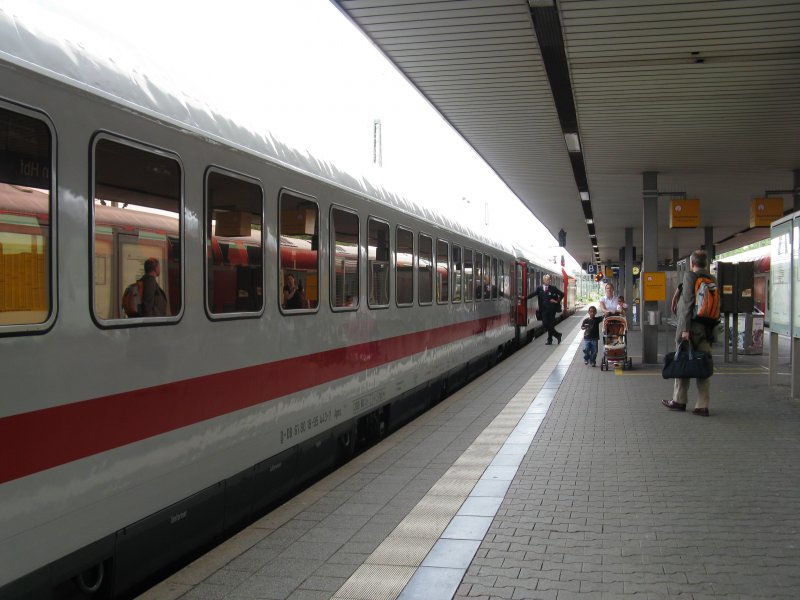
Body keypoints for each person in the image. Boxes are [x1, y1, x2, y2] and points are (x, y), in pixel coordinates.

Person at [662, 249, 716, 416]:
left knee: (682, 361)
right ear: (705, 263)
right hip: (707, 330)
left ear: (691, 263)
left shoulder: (690, 276)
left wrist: (685, 329)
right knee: (703, 365)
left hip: (691, 329)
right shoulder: (711, 278)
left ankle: (679, 400)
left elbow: (687, 304)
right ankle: (702, 405)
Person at [529, 274, 564, 345]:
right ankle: (557, 335)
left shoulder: (553, 288)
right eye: (546, 280)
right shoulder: (539, 288)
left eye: (548, 280)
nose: (548, 281)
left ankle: (549, 340)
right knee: (545, 324)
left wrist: (557, 301)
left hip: (552, 310)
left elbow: (562, 294)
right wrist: (524, 298)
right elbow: (533, 294)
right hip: (543, 310)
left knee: (550, 325)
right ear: (543, 280)